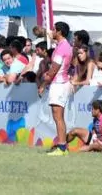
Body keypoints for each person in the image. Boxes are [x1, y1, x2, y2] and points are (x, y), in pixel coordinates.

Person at [39, 21, 73, 156]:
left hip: (58, 84)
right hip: (61, 83)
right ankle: (62, 145)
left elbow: (53, 71)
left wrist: (43, 84)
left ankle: (62, 147)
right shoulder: (65, 46)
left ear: (59, 32)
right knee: (59, 117)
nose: (52, 32)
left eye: (54, 30)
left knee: (58, 117)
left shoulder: (61, 48)